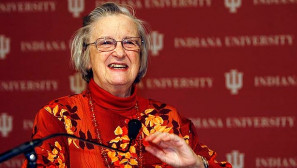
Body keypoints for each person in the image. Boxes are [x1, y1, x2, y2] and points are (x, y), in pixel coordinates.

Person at [23, 2, 232, 168]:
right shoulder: (58, 118)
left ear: (140, 57)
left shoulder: (168, 120)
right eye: (106, 43)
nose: (120, 52)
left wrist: (196, 166)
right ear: (86, 57)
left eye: (129, 42)